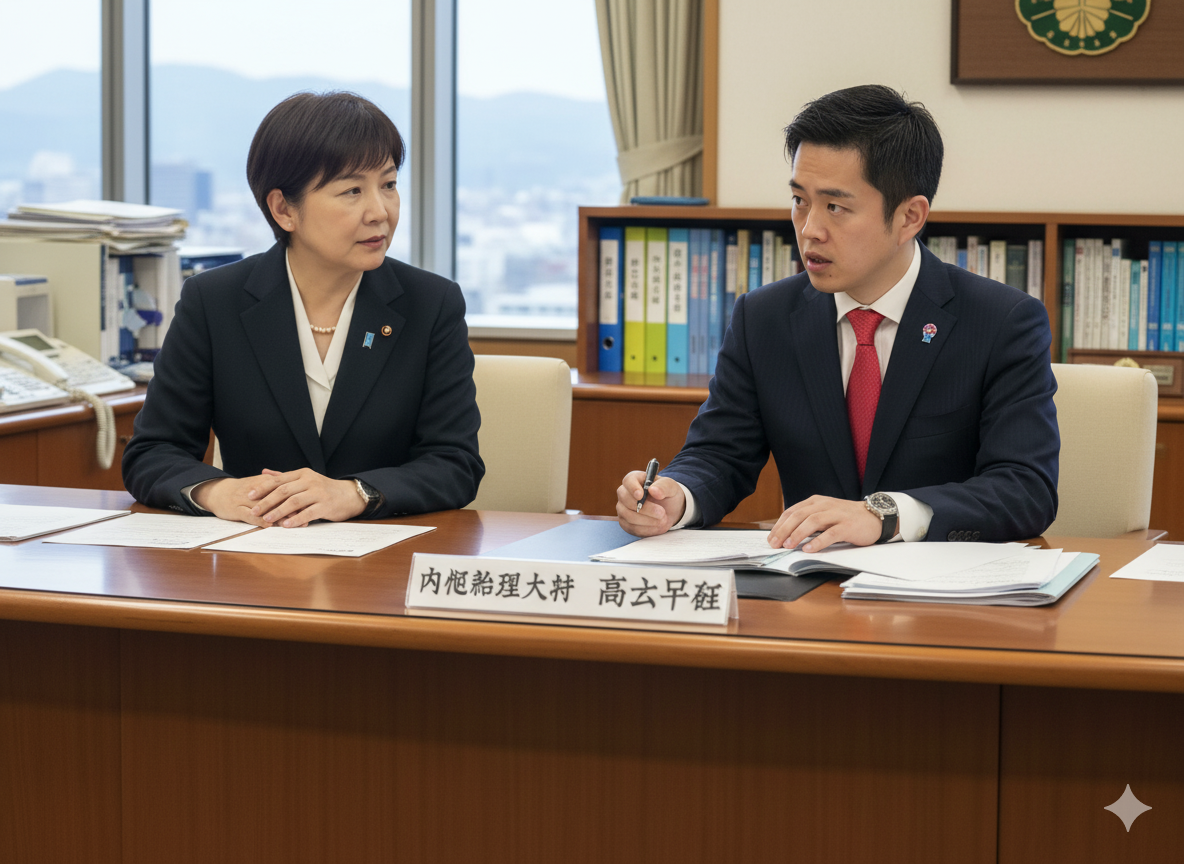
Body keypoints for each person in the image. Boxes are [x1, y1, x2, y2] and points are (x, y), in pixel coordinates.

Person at [617, 84, 1058, 552]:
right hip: (809, 577)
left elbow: (1024, 488)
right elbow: (719, 454)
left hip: (943, 583)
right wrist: (676, 497)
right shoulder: (763, 318)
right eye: (799, 201)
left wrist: (886, 514)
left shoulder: (1001, 322)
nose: (809, 230)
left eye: (835, 207)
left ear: (909, 217)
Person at [123, 91, 484, 526]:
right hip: (256, 550)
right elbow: (152, 452)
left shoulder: (431, 303)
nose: (380, 212)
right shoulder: (215, 301)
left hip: (385, 553)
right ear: (283, 209)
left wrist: (355, 493)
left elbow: (455, 463)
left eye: (388, 185)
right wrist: (220, 492)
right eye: (352, 190)